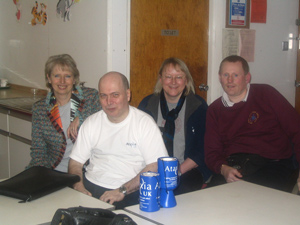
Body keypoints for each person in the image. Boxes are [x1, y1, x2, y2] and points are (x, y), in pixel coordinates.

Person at [69, 71, 168, 209]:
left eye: (115, 95)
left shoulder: (144, 123)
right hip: (91, 189)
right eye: (104, 96)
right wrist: (78, 185)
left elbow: (155, 166)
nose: (109, 102)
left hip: (129, 192)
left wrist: (122, 190)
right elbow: (75, 162)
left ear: (128, 95)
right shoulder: (91, 123)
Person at [205, 55, 300, 192]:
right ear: (220, 77)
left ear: (247, 77)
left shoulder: (266, 94)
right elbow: (211, 152)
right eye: (226, 75)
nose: (230, 80)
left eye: (235, 75)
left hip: (273, 164)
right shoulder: (214, 110)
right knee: (213, 197)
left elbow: (297, 130)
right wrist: (223, 169)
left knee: (256, 200)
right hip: (235, 165)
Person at [138, 57, 212, 195]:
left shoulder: (198, 106)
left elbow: (202, 150)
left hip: (187, 169)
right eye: (168, 77)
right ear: (161, 79)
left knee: (174, 192)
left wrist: (175, 173)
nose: (173, 82)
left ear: (186, 80)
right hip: (152, 168)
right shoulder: (147, 104)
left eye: (179, 77)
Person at [27, 54, 101, 172]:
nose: (62, 81)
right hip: (54, 170)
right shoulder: (40, 109)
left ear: (74, 79)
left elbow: (107, 115)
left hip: (86, 171)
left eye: (67, 76)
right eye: (57, 76)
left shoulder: (91, 97)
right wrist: (38, 174)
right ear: (49, 78)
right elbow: (38, 150)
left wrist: (82, 118)